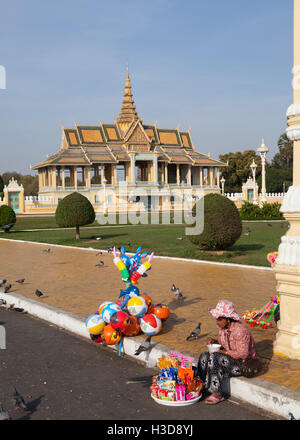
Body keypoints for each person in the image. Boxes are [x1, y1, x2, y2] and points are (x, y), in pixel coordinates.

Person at [196, 299, 256, 405]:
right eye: (216, 319)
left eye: (219, 319)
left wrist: (224, 353)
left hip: (241, 364)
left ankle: (217, 393)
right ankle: (200, 385)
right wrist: (214, 342)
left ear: (228, 319)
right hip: (229, 360)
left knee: (215, 357)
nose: (217, 322)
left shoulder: (240, 330)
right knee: (205, 355)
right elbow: (224, 344)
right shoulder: (222, 328)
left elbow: (243, 353)